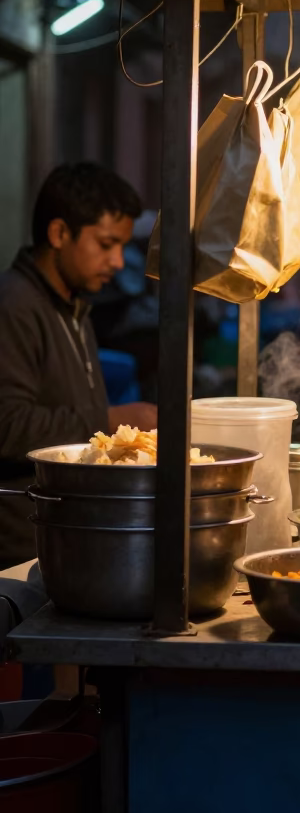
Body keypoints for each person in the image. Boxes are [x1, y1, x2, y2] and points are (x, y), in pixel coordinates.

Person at [0, 163, 157, 569]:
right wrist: (111, 420)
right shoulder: (13, 307)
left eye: (121, 246)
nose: (120, 261)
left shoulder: (75, 307)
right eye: (106, 244)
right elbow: (7, 425)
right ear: (59, 234)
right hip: (18, 556)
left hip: (64, 545)